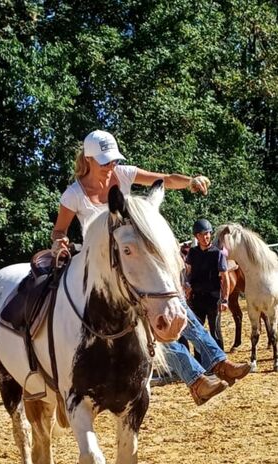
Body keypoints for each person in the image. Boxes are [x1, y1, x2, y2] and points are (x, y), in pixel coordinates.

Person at [52, 129, 250, 405]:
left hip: (132, 260)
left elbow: (164, 180)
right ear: (89, 159)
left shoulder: (122, 174)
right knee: (153, 314)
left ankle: (218, 362)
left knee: (174, 303)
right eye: (105, 161)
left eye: (113, 160)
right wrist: (59, 243)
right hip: (101, 269)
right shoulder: (73, 194)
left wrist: (190, 181)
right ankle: (196, 378)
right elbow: (59, 231)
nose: (111, 166)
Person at [185, 218, 229, 353]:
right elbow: (188, 272)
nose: (205, 237)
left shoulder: (217, 254)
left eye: (207, 233)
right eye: (202, 234)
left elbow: (225, 277)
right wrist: (187, 284)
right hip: (197, 298)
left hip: (213, 298)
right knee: (197, 332)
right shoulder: (192, 253)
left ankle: (220, 361)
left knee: (215, 331)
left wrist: (225, 299)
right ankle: (200, 362)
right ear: (196, 236)